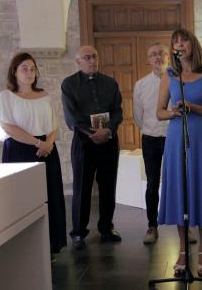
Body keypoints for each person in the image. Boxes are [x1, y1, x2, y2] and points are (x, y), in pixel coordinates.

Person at [156, 28, 202, 276]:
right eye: (175, 41)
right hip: (176, 140)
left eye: (183, 40)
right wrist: (173, 112)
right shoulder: (170, 75)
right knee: (180, 191)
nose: (179, 44)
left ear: (192, 44)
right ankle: (183, 250)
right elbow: (159, 112)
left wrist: (194, 106)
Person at [0, 52, 67, 260]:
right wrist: (37, 143)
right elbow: (8, 126)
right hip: (20, 151)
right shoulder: (6, 97)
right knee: (22, 198)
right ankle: (25, 247)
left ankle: (51, 244)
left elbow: (53, 124)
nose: (29, 73)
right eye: (24, 68)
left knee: (49, 196)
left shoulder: (44, 95)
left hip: (46, 150)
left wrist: (49, 143)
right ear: (14, 72)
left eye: (32, 68)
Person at [133, 42, 197, 245]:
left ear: (168, 57)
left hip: (174, 137)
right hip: (151, 139)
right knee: (152, 184)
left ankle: (185, 228)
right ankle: (152, 226)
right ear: (148, 60)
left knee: (180, 181)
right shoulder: (140, 85)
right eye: (153, 55)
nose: (158, 58)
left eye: (161, 54)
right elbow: (138, 117)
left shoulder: (179, 81)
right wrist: (151, 130)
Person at [61, 46, 123, 250]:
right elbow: (72, 116)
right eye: (86, 58)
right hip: (83, 143)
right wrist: (92, 133)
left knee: (108, 186)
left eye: (94, 56)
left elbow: (118, 111)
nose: (92, 60)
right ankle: (78, 231)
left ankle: (106, 227)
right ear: (78, 62)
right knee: (82, 188)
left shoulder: (110, 82)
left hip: (108, 141)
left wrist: (108, 130)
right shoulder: (69, 84)